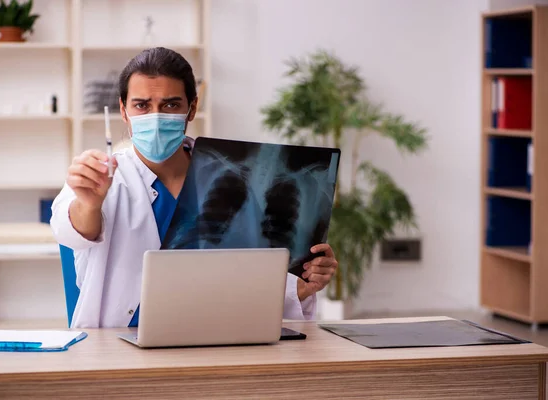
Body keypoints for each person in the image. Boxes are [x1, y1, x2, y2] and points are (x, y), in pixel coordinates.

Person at [50, 47, 338, 328]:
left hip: (219, 336)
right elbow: (71, 231)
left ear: (192, 108)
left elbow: (250, 268)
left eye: (170, 104)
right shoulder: (100, 176)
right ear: (123, 111)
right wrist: (89, 203)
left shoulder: (233, 176)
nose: (156, 116)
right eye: (142, 105)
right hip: (121, 344)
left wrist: (301, 286)